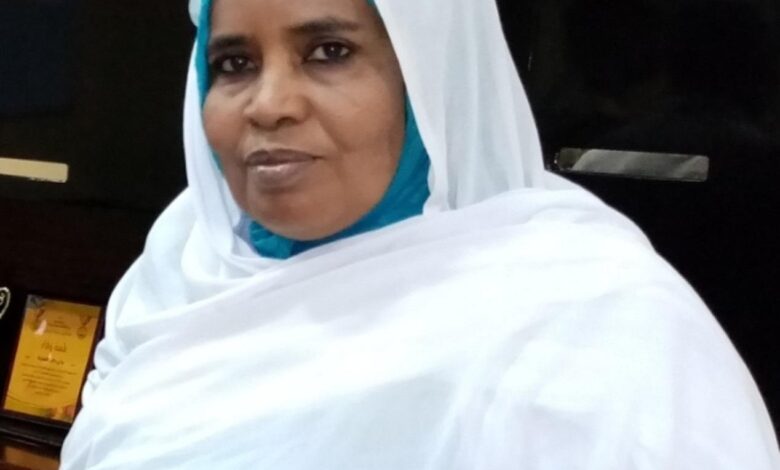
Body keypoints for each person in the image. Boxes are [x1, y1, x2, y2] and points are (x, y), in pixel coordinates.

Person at [59, 0, 779, 468]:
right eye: (234, 64)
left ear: (432, 79)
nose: (269, 104)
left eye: (328, 52)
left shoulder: (593, 323)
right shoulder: (177, 276)